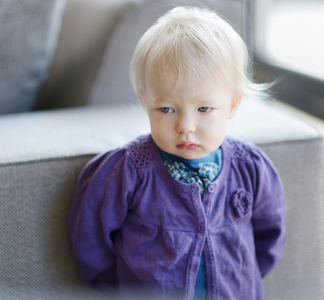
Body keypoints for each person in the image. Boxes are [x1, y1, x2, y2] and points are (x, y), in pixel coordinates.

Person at [68, 6, 286, 300]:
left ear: (233, 104)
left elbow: (269, 237)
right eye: (167, 109)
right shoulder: (127, 171)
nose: (185, 126)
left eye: (204, 109)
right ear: (146, 102)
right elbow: (90, 240)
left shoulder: (252, 169)